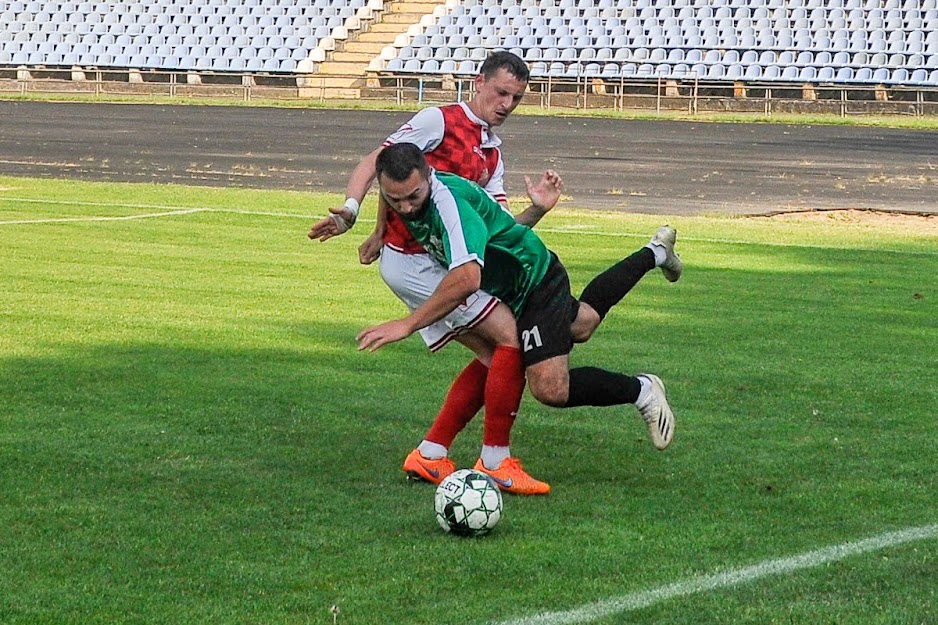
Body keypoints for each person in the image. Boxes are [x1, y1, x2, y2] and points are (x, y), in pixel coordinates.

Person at [309, 52, 563, 495]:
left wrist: (536, 210)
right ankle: (494, 461)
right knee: (508, 340)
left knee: (498, 356)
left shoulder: (491, 156)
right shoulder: (438, 121)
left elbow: (498, 232)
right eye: (501, 92)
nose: (506, 104)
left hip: (438, 261)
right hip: (416, 263)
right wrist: (355, 215)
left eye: (516, 98)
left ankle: (431, 454)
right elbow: (381, 164)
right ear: (478, 82)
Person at [357, 143, 680, 490]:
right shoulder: (404, 195)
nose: (406, 207)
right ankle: (656, 252)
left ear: (429, 177)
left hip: (534, 278)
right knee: (583, 322)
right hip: (508, 285)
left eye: (413, 196)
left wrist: (407, 324)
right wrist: (379, 231)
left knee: (550, 388)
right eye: (395, 200)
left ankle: (642, 390)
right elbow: (489, 229)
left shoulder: (449, 203)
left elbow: (467, 279)